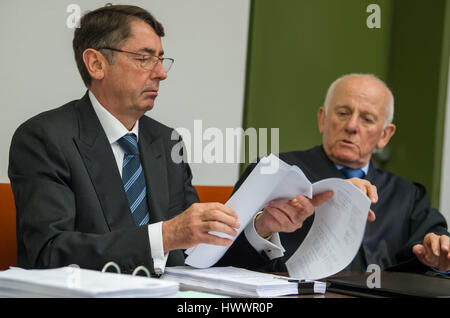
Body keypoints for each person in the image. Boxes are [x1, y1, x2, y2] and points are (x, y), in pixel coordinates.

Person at [9, 4, 361, 275]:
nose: (161, 72)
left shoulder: (165, 141)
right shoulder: (44, 138)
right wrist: (166, 236)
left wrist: (261, 227)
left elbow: (198, 258)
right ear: (97, 64)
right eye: (144, 58)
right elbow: (49, 253)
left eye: (161, 59)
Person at [219, 73, 450, 274]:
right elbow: (222, 252)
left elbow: (433, 245)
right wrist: (264, 229)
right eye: (342, 113)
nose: (351, 126)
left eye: (367, 119)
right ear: (323, 119)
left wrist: (436, 253)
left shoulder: (407, 196)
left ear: (385, 135)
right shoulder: (273, 171)